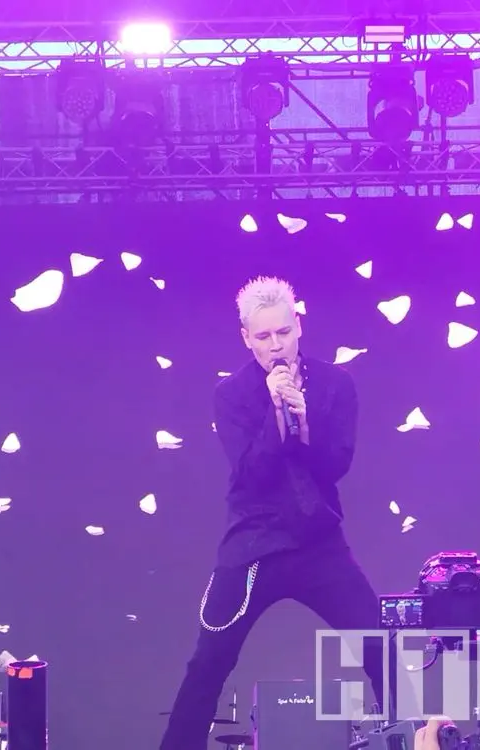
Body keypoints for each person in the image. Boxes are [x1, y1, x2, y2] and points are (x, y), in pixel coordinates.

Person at [159, 276, 384, 750]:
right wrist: (277, 414)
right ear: (247, 338)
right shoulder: (232, 393)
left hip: (318, 543)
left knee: (380, 645)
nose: (275, 345)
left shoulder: (335, 384)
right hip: (253, 545)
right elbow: (252, 473)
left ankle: (420, 739)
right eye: (263, 336)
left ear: (298, 325)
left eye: (283, 332)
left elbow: (336, 465)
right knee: (208, 663)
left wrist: (305, 422)